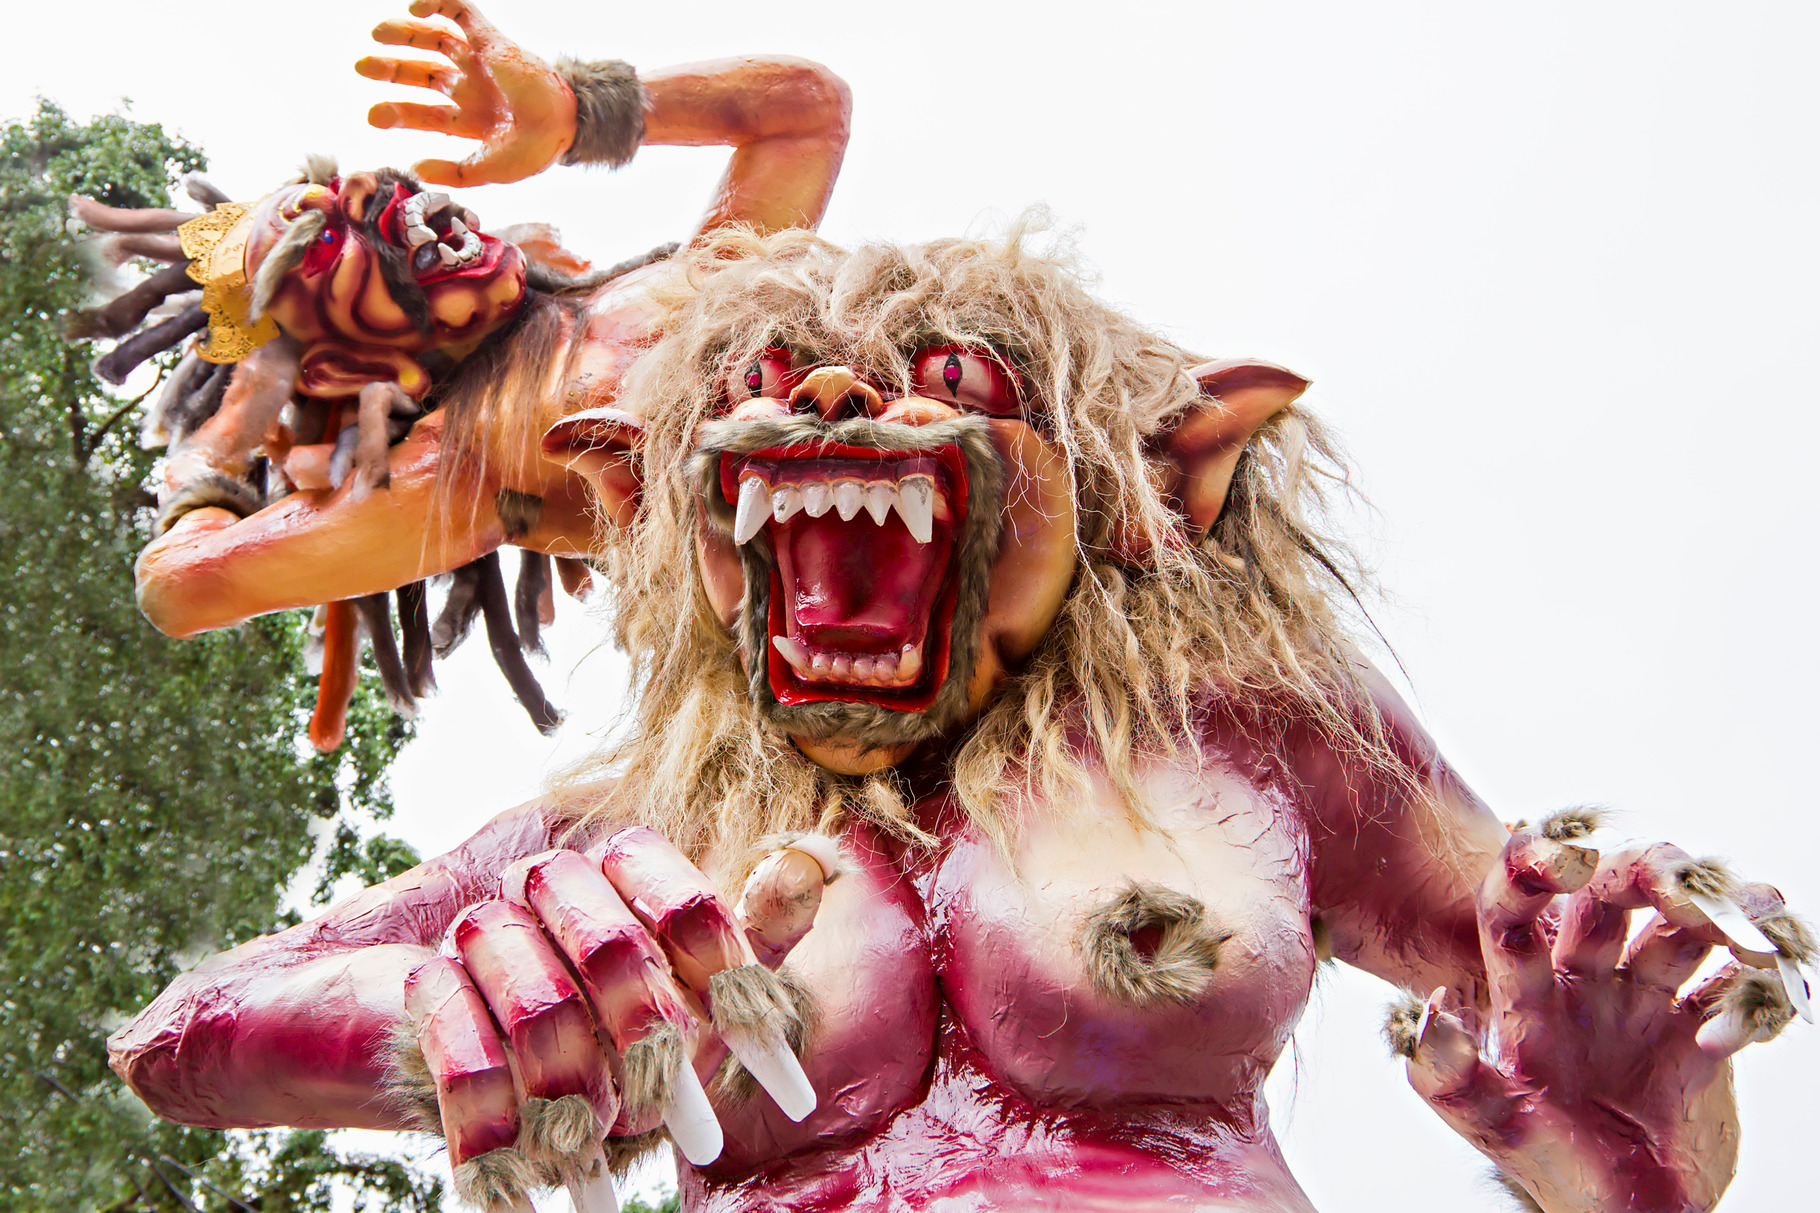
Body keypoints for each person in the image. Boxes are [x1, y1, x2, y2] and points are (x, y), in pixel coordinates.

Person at [107, 4, 1811, 1211]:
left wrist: (1632, 1146)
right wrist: (450, 1003)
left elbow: (801, 110)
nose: (836, 402)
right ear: (643, 503)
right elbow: (184, 1031)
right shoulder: (609, 777)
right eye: (337, 258)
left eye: (950, 384)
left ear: (1152, 485)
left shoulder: (1243, 732)